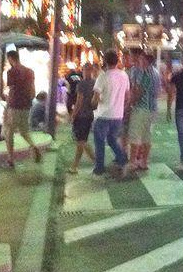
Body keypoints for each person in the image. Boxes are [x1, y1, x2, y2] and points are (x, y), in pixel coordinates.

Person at [92, 49, 132, 177]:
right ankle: (122, 159)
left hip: (103, 114)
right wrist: (123, 106)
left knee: (99, 142)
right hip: (118, 115)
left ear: (105, 61)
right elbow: (127, 95)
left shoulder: (102, 76)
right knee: (112, 140)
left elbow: (95, 98)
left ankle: (99, 168)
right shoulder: (124, 75)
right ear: (117, 61)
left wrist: (92, 103)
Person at [4, 49, 41, 168]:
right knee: (24, 130)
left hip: (14, 105)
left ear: (10, 58)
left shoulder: (11, 71)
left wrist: (7, 106)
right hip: (26, 106)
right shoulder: (30, 71)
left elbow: (12, 90)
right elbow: (33, 90)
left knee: (9, 132)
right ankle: (33, 146)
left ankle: (10, 159)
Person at [127, 47, 161, 171]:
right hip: (153, 108)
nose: (140, 60)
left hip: (141, 107)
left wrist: (129, 104)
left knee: (135, 135)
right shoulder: (156, 73)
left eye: (142, 58)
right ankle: (144, 162)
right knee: (147, 136)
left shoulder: (143, 72)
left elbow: (138, 91)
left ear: (145, 60)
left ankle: (132, 162)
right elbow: (158, 93)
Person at [68, 63, 97, 174]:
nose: (85, 72)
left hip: (82, 115)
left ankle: (75, 166)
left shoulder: (81, 84)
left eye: (85, 70)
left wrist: (73, 115)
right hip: (90, 115)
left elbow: (79, 101)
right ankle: (95, 161)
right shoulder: (95, 83)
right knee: (83, 141)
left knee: (81, 141)